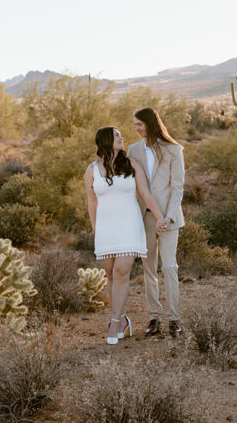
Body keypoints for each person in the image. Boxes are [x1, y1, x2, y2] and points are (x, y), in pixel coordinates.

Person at [85, 126, 167, 345]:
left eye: (120, 135)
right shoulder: (92, 170)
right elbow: (92, 203)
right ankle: (122, 320)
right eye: (116, 135)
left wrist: (160, 217)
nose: (121, 138)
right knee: (111, 274)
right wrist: (95, 228)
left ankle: (114, 322)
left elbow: (146, 194)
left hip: (129, 224)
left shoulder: (132, 165)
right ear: (105, 141)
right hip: (105, 227)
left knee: (122, 271)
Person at [128, 107, 185, 338]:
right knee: (149, 268)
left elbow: (177, 187)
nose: (136, 129)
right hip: (144, 218)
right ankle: (154, 316)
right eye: (134, 125)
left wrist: (168, 217)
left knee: (169, 266)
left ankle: (174, 318)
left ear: (150, 124)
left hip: (170, 218)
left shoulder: (174, 150)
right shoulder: (133, 151)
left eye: (139, 124)